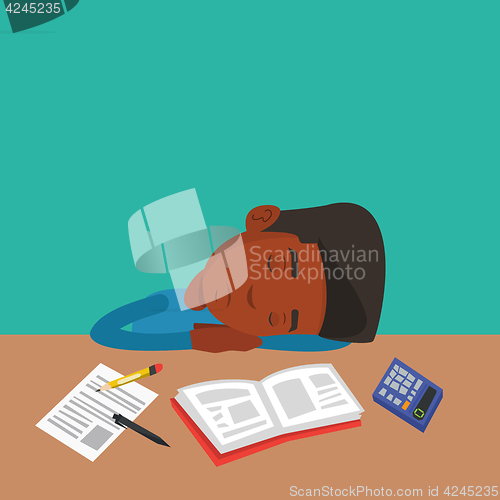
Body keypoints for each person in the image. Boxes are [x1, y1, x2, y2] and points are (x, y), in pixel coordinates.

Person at [90, 202, 385, 352]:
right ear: (261, 219)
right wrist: (193, 340)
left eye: (279, 319)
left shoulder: (254, 338)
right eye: (275, 265)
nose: (256, 298)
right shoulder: (165, 303)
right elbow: (104, 332)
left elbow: (334, 342)